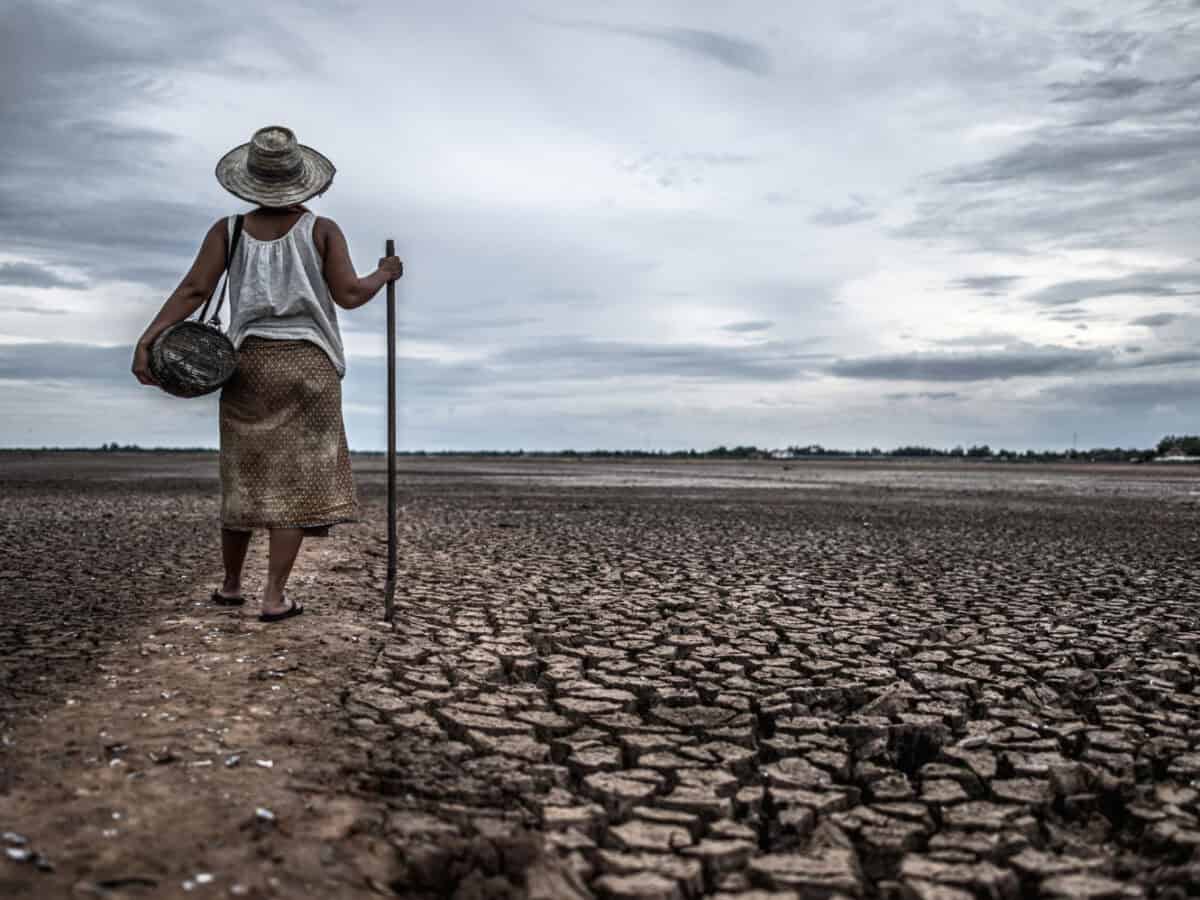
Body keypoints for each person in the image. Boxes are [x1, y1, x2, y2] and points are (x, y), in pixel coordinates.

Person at [131, 125, 402, 622]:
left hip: (247, 364)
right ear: (304, 181)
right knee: (295, 484)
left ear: (251, 181)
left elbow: (194, 290)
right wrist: (383, 275)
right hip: (310, 365)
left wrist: (149, 338)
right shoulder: (322, 230)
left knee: (243, 474)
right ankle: (274, 597)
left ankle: (231, 585)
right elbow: (349, 294)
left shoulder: (228, 230)